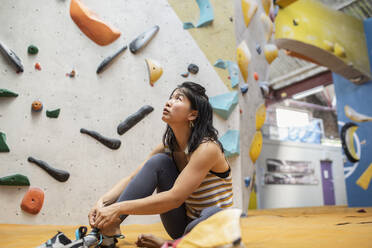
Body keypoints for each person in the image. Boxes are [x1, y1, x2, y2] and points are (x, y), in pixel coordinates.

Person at [88, 82, 234, 248]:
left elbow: (174, 198)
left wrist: (117, 208)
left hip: (213, 228)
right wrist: (103, 203)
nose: (169, 102)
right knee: (158, 162)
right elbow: (133, 178)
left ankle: (173, 245)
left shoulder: (208, 148)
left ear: (192, 115)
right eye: (170, 98)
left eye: (178, 98)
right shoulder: (169, 146)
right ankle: (107, 230)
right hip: (183, 226)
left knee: (213, 214)